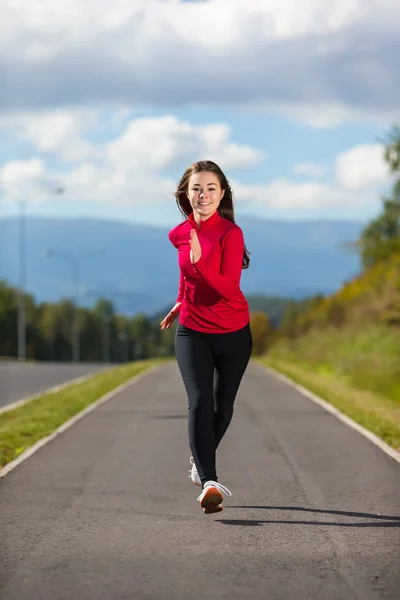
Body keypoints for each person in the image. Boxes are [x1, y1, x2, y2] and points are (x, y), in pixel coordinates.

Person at [160, 160, 252, 514]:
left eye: (211, 188)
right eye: (197, 188)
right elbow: (186, 276)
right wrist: (181, 301)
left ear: (223, 193)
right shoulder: (178, 234)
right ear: (186, 192)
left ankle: (200, 460)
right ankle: (210, 482)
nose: (204, 195)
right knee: (199, 402)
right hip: (192, 330)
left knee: (223, 406)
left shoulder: (231, 233)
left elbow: (229, 289)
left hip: (233, 332)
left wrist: (200, 266)